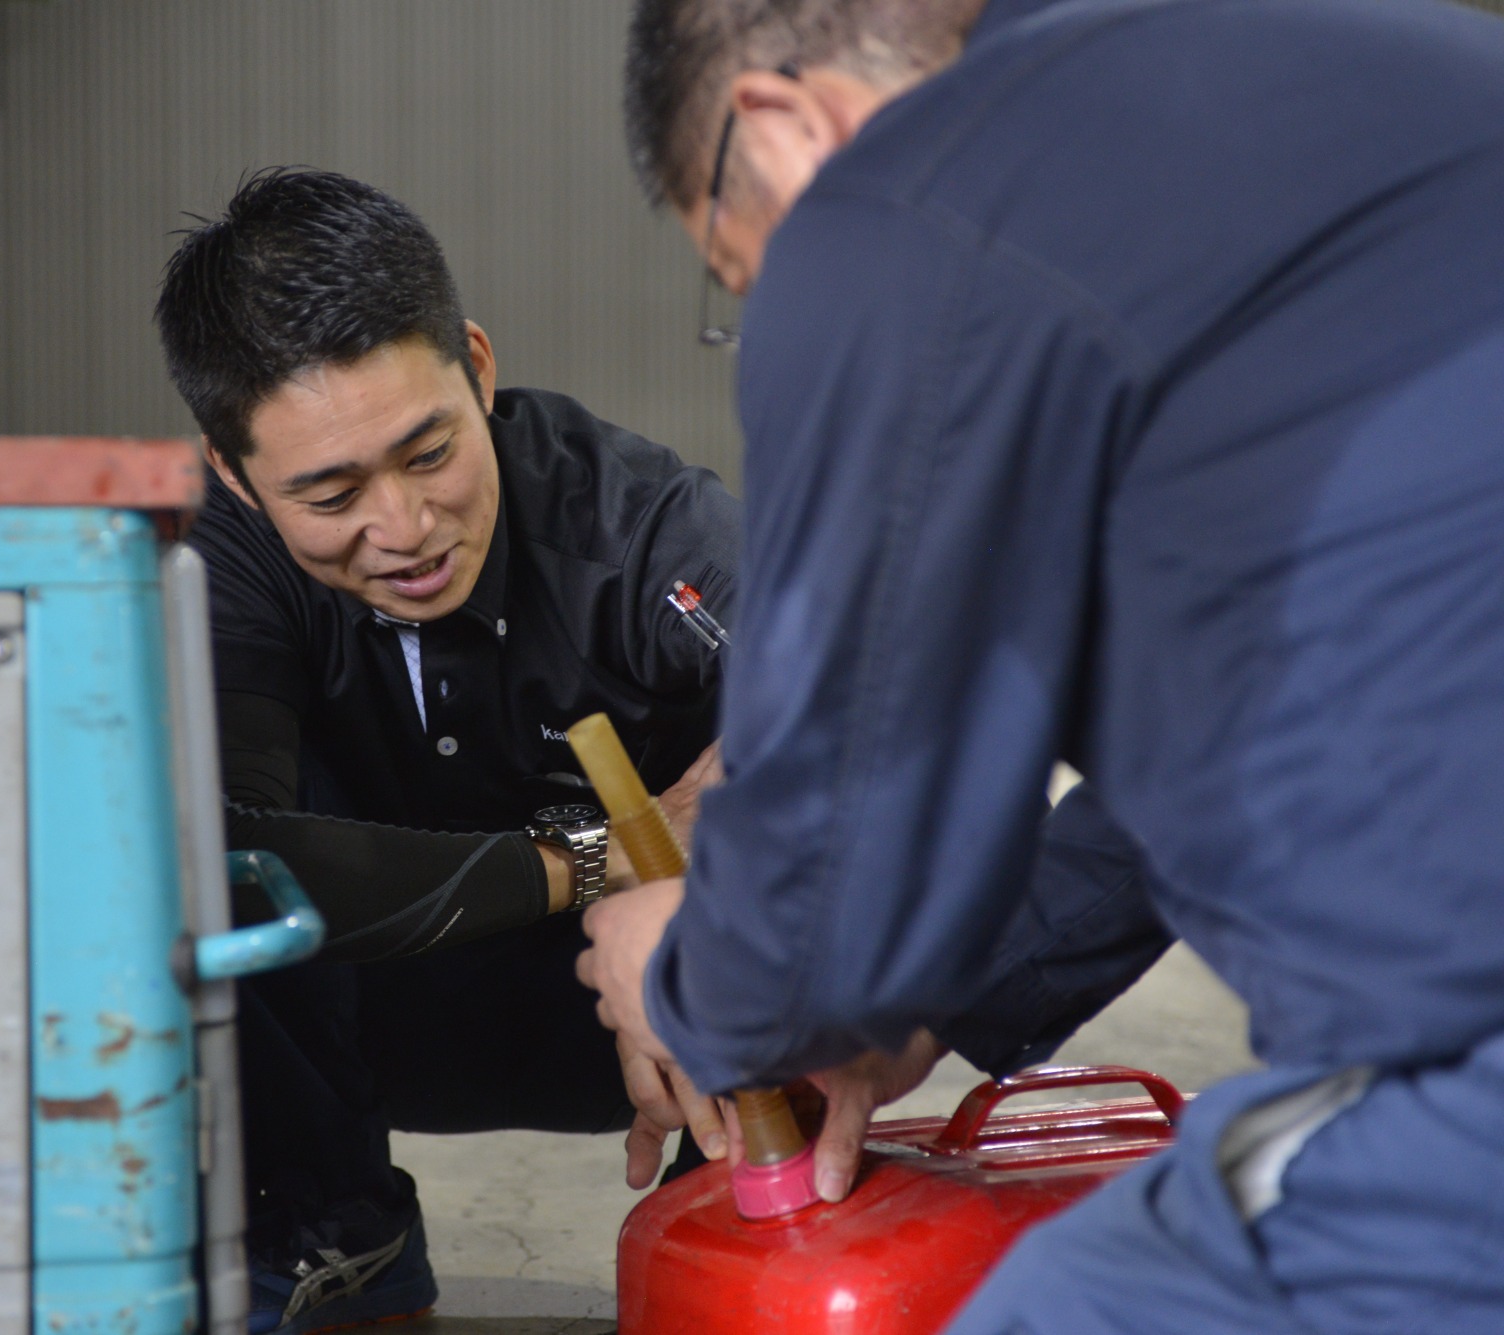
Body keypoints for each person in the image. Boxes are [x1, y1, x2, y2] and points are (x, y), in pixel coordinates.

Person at [579, 0, 1504, 1331]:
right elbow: (1210, 759)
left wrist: (681, 962)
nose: (784, 311)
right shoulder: (1341, 74)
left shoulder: (896, 206)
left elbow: (825, 893)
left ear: (771, 127)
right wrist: (925, 1003)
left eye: (744, 273)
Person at [157, 168, 1165, 1334]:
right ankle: (337, 1243)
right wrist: (587, 860)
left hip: (654, 1002)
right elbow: (223, 868)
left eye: (428, 453)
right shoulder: (215, 559)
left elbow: (881, 694)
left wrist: (738, 849)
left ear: (476, 367)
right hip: (368, 989)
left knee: (792, 795)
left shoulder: (632, 522)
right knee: (196, 836)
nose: (402, 527)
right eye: (330, 494)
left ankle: (754, 1217)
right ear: (233, 472)